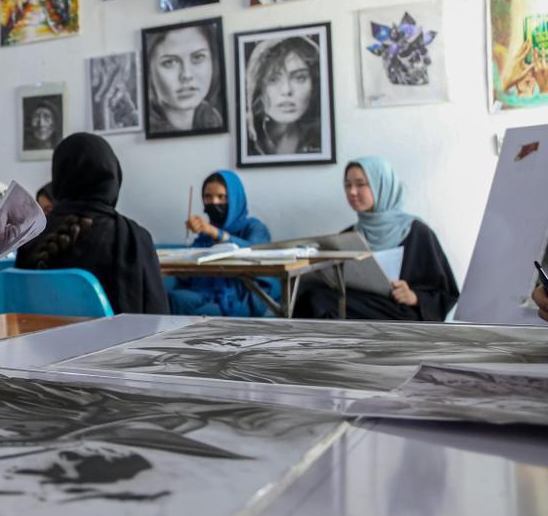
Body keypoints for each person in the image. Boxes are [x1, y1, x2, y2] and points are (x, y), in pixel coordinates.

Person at [16, 133, 169, 315]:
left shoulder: (30, 236)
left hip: (37, 343)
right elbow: (159, 319)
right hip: (115, 344)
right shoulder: (132, 238)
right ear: (113, 174)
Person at [295, 157, 459, 321]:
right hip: (357, 307)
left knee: (319, 302)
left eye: (360, 184)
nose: (352, 192)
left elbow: (446, 293)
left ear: (382, 185)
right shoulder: (348, 236)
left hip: (399, 313)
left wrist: (414, 297)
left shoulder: (417, 232)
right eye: (347, 185)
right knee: (309, 298)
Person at [169, 170, 279, 316]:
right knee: (174, 299)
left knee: (202, 312)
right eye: (208, 197)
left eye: (222, 197)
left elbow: (254, 252)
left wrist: (217, 233)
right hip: (203, 293)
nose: (214, 202)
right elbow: (185, 277)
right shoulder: (203, 235)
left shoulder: (254, 227)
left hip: (238, 296)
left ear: (235, 199)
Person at [246, 35, 322, 155]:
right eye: (273, 79)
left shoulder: (320, 140)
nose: (286, 90)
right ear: (257, 87)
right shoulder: (247, 144)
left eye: (299, 78)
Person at [144, 25, 224, 135]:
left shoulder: (213, 120)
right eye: (169, 62)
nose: (186, 75)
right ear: (149, 71)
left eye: (198, 57)